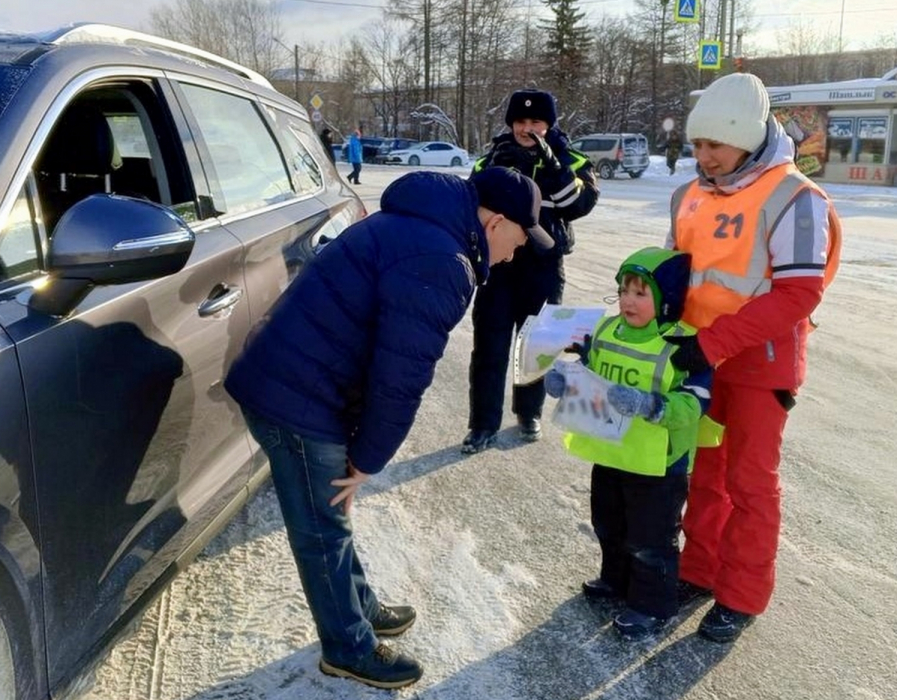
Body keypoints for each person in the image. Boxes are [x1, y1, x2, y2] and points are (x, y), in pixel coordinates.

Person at [224, 167, 555, 689]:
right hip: (295, 397)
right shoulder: (443, 261)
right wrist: (366, 459)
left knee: (327, 516)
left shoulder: (420, 225)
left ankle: (358, 604)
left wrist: (359, 452)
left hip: (300, 380)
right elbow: (399, 378)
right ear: (494, 223)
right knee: (322, 527)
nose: (515, 254)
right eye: (518, 240)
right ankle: (348, 647)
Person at [664, 72, 841, 644]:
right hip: (701, 356)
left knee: (749, 482)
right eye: (696, 145)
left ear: (745, 135)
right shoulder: (689, 193)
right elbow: (674, 273)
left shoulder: (795, 197)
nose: (703, 156)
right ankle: (698, 571)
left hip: (759, 365)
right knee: (705, 475)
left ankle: (741, 595)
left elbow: (798, 294)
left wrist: (711, 344)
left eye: (714, 144)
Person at [544, 247, 712, 639]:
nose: (627, 301)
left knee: (650, 538)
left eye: (640, 293)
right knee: (610, 524)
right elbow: (590, 373)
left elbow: (697, 402)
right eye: (623, 290)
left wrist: (651, 405)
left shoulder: (684, 344)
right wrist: (565, 381)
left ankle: (651, 605)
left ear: (665, 300)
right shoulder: (605, 330)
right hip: (610, 452)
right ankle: (615, 580)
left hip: (657, 464)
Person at [461, 88, 599, 454]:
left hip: (544, 264)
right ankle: (482, 424)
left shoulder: (573, 159)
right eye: (520, 121)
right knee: (489, 346)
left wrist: (554, 168)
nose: (527, 128)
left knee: (538, 343)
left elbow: (580, 205)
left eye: (535, 121)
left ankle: (529, 412)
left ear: (549, 124)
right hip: (499, 264)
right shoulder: (493, 155)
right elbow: (471, 199)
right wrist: (493, 169)